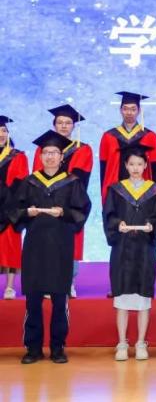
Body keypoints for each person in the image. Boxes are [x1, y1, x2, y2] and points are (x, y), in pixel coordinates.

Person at [12, 130, 91, 364]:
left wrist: (64, 212)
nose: (49, 156)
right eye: (45, 152)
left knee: (59, 300)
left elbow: (82, 210)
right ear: (40, 156)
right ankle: (33, 348)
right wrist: (27, 212)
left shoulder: (72, 183)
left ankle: (58, 347)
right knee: (33, 300)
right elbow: (13, 210)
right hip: (35, 247)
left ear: (61, 157)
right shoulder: (30, 182)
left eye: (54, 152)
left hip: (60, 247)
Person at [102, 144, 156, 362]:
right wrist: (117, 224)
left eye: (140, 164)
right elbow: (109, 215)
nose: (136, 168)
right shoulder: (116, 190)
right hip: (122, 248)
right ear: (126, 166)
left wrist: (151, 226)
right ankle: (122, 342)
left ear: (146, 165)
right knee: (121, 298)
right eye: (132, 164)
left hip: (144, 249)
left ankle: (140, 342)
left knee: (143, 299)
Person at [32, 104, 93, 298]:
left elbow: (80, 179)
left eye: (68, 123)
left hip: (70, 203)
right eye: (60, 122)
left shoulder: (83, 149)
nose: (64, 126)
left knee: (70, 242)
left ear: (74, 126)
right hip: (45, 202)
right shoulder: (43, 149)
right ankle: (46, 282)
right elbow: (36, 177)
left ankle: (69, 282)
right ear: (54, 125)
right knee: (46, 241)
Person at [99, 91, 156, 204]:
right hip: (115, 191)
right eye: (125, 109)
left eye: (133, 109)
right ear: (120, 110)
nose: (129, 112)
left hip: (143, 194)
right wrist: (104, 194)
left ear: (139, 111)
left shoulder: (150, 136)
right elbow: (103, 170)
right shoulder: (108, 136)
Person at [0, 115, 29, 300]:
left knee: (10, 246)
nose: (1, 134)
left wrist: (9, 206)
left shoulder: (17, 156)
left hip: (9, 209)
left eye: (4, 130)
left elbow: (21, 185)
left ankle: (10, 287)